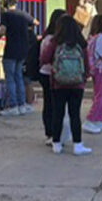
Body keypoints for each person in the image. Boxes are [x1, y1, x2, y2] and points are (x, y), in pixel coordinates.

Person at [39, 14, 91, 155]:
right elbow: (87, 63)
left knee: (58, 113)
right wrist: (84, 77)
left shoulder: (55, 42)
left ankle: (56, 143)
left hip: (58, 83)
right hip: (77, 84)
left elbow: (44, 58)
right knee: (75, 114)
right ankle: (77, 145)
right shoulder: (81, 42)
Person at [0, 0, 35, 116]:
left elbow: (2, 30)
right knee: (19, 77)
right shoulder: (23, 15)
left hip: (11, 49)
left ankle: (13, 105)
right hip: (23, 50)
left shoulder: (6, 15)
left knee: (10, 78)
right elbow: (35, 22)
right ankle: (22, 104)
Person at [38, 9, 66, 145]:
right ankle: (50, 132)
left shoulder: (49, 38)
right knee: (50, 104)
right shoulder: (50, 39)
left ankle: (54, 132)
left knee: (52, 104)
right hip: (49, 73)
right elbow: (44, 57)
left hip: (50, 73)